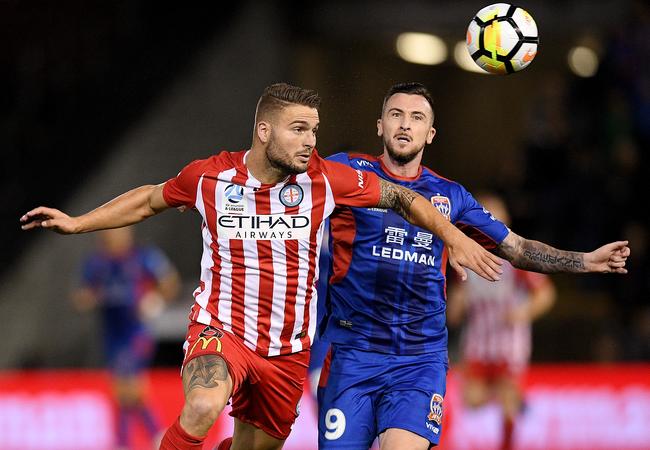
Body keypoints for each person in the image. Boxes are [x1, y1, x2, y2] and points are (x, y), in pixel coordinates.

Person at [20, 83, 504, 450]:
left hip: (287, 350)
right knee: (204, 405)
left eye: (315, 130)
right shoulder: (210, 177)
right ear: (264, 130)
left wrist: (453, 236)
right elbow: (148, 200)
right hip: (222, 329)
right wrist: (78, 223)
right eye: (300, 129)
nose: (311, 141)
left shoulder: (324, 181)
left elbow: (401, 197)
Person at [316, 82, 630, 450]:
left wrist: (584, 261)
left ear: (430, 134)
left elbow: (517, 248)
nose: (405, 124)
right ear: (379, 126)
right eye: (395, 115)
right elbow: (290, 185)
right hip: (353, 356)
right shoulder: (346, 172)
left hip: (419, 361)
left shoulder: (451, 196)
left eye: (416, 118)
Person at [446, 192, 557, 450]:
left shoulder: (516, 259)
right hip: (479, 342)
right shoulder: (466, 256)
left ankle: (508, 434)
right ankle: (514, 399)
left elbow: (546, 294)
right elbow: (455, 310)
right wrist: (457, 303)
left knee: (507, 401)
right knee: (471, 400)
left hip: (509, 342)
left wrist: (522, 313)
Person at [72, 226, 181, 449]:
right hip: (112, 334)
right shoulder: (96, 264)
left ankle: (137, 439)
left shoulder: (144, 257)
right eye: (110, 234)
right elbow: (81, 296)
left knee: (130, 385)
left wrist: (155, 300)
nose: (115, 238)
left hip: (137, 331)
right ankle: (146, 437)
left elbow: (170, 283)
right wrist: (90, 298)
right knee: (123, 389)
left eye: (120, 233)